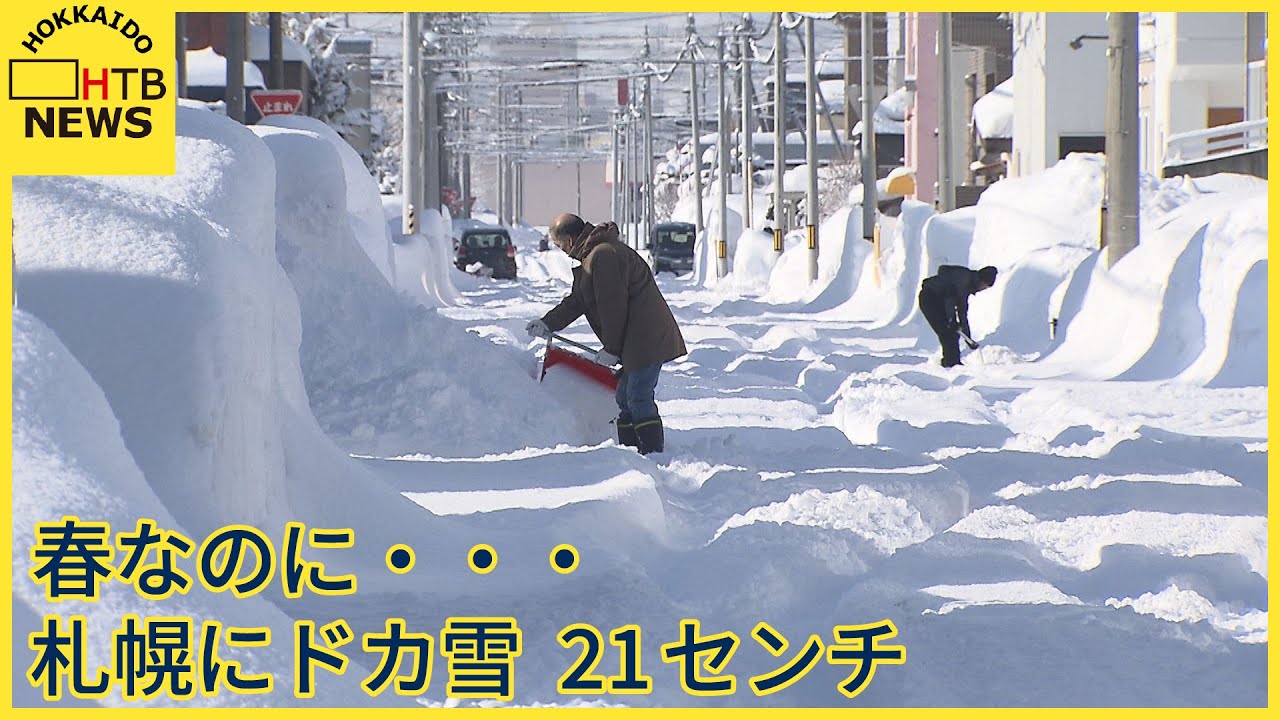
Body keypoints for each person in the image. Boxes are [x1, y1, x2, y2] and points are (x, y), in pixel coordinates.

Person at [526, 214, 687, 455]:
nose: (563, 252)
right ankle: (632, 452)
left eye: (560, 247)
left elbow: (613, 307)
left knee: (638, 396)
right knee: (624, 398)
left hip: (646, 336)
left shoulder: (602, 256)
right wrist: (547, 323)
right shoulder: (594, 256)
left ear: (570, 241)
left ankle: (653, 454)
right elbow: (577, 301)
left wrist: (611, 349)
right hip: (635, 338)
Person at [918, 265, 997, 368]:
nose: (982, 289)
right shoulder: (962, 279)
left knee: (952, 332)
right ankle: (950, 364)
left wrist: (968, 338)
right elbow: (949, 299)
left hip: (939, 300)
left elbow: (962, 312)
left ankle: (954, 362)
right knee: (946, 331)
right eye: (983, 286)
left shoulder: (967, 285)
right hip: (929, 298)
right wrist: (952, 320)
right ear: (980, 279)